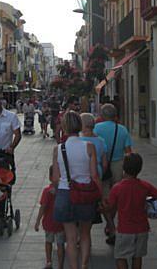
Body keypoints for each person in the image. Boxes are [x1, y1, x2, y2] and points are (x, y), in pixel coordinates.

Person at [108, 153, 157, 269]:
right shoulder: (144, 186)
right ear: (139, 169)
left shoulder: (117, 188)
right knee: (137, 257)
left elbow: (110, 207)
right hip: (142, 229)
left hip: (124, 230)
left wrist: (104, 211)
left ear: (123, 168)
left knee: (120, 257)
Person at [52, 111, 101, 269]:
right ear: (80, 126)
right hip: (85, 194)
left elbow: (55, 178)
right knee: (85, 234)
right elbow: (94, 175)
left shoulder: (59, 149)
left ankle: (74, 267)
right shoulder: (89, 146)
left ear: (64, 127)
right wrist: (101, 194)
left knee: (71, 238)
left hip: (66, 193)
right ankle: (84, 264)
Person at [94, 103, 133, 244]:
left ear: (102, 116)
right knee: (116, 197)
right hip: (118, 165)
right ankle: (110, 225)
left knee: (104, 197)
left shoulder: (96, 128)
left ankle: (110, 225)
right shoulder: (122, 129)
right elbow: (128, 151)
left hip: (102, 167)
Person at [35, 165, 65, 269]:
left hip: (49, 222)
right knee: (60, 244)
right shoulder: (64, 192)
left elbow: (43, 207)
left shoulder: (47, 191)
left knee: (48, 242)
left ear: (50, 177)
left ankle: (49, 262)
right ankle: (60, 265)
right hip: (61, 223)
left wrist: (38, 221)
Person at [79, 113, 108, 180]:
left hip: (82, 172)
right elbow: (104, 164)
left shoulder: (79, 140)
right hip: (97, 171)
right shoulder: (101, 141)